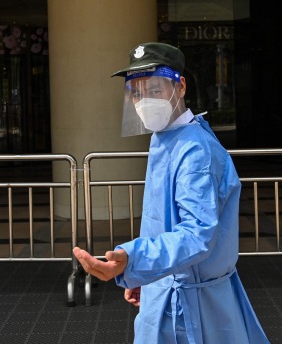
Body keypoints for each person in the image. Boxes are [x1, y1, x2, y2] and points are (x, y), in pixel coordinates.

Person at [73, 42, 269, 344]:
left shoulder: (193, 150)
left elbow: (196, 235)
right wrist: (149, 276)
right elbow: (161, 220)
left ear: (180, 87)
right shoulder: (170, 136)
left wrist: (135, 260)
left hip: (190, 306)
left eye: (154, 90)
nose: (143, 101)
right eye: (136, 93)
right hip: (171, 288)